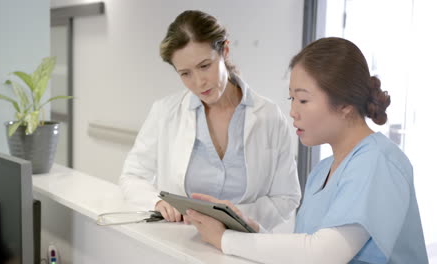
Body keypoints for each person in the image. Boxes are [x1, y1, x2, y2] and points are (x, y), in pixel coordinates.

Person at [185, 37, 429, 263]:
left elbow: (323, 254)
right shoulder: (323, 171)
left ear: (344, 103)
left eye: (302, 100)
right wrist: (249, 228)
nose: (293, 111)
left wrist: (224, 239)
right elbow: (305, 247)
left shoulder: (378, 162)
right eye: (291, 99)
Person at [119, 10, 301, 230]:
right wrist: (157, 202)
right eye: (185, 73)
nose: (198, 82)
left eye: (205, 66)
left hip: (246, 247)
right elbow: (132, 176)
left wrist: (236, 216)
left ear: (224, 50)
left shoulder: (269, 116)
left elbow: (286, 197)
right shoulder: (165, 112)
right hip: (180, 245)